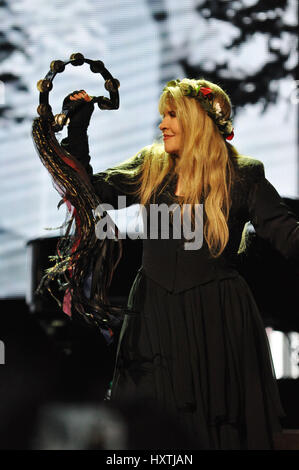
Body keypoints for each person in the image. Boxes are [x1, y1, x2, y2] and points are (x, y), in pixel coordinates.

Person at [34, 79, 299, 450]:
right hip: (153, 314)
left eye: (172, 115)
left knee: (217, 425)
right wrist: (79, 128)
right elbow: (90, 194)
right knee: (153, 425)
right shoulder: (151, 165)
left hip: (217, 318)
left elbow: (287, 234)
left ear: (197, 120)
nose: (162, 124)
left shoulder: (243, 173)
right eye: (163, 115)